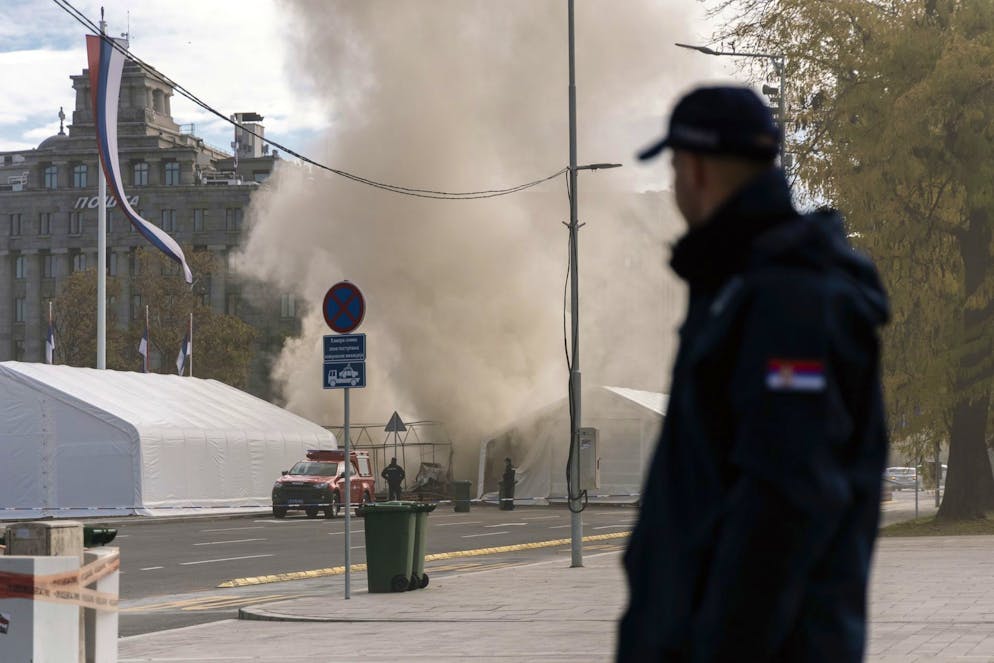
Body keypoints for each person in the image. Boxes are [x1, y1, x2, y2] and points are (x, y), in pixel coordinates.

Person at [617, 86, 890, 662]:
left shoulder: (789, 299)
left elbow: (787, 499)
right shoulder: (738, 284)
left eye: (672, 170)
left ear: (693, 171)